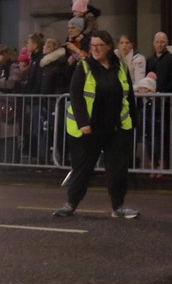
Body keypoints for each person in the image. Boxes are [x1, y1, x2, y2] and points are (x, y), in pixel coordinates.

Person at [54, 30, 139, 219]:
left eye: (99, 45)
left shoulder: (120, 67)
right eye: (93, 46)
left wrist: (134, 121)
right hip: (90, 129)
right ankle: (70, 204)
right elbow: (75, 96)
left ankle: (118, 207)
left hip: (116, 127)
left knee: (117, 170)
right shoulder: (84, 67)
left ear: (108, 46)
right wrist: (84, 123)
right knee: (82, 169)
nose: (96, 49)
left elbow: (129, 96)